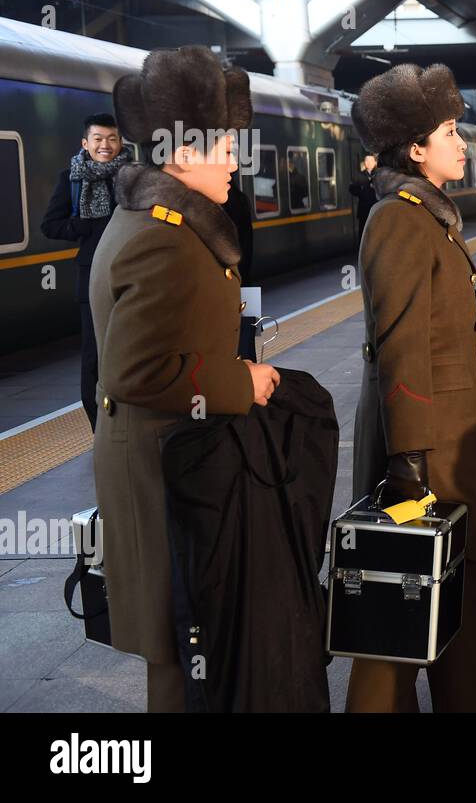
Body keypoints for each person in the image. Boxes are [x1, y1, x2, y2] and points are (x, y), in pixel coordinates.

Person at [93, 46, 280, 711]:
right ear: (180, 153)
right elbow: (136, 369)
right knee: (178, 654)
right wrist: (241, 381)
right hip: (160, 472)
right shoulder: (163, 236)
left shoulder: (159, 222)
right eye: (224, 144)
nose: (235, 158)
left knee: (187, 645)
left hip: (172, 463)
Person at [347, 62, 476, 713]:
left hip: (444, 446)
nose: (461, 142)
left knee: (451, 610)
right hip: (426, 456)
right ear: (414, 147)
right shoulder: (400, 221)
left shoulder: (428, 215)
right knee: (401, 623)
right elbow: (401, 350)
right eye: (448, 129)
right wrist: (408, 470)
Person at [40, 113, 130, 429]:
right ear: (86, 143)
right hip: (92, 276)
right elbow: (49, 225)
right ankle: (100, 427)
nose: (105, 145)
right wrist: (82, 227)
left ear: (120, 142)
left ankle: (130, 420)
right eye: (98, 139)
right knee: (94, 357)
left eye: (112, 138)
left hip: (132, 273)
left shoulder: (134, 177)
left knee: (132, 348)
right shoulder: (71, 179)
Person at [349, 153, 379, 236]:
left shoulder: (379, 175)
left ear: (375, 162)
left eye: (370, 160)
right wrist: (361, 191)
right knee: (363, 234)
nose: (368, 162)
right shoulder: (359, 175)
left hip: (377, 209)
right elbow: (351, 189)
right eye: (366, 160)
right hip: (363, 211)